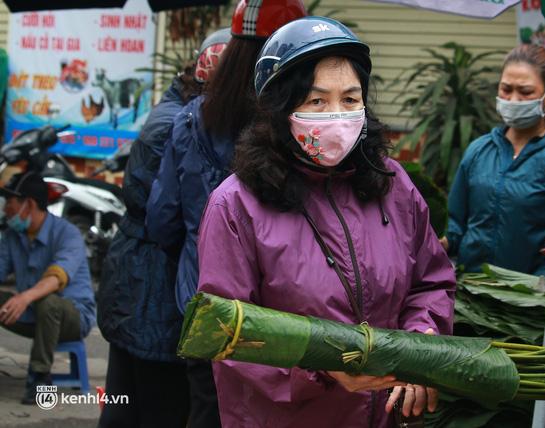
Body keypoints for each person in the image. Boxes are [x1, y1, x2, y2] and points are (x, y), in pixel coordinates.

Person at [195, 16, 456, 427]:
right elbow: (227, 334)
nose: (337, 116)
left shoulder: (393, 185)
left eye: (350, 100)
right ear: (280, 106)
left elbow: (432, 282)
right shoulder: (234, 206)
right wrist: (322, 369)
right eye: (317, 101)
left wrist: (422, 342)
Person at [146, 1, 307, 425]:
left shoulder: (192, 119)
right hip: (281, 310)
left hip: (205, 302)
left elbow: (161, 218)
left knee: (206, 408)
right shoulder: (298, 126)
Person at [96, 29, 230, 428]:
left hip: (139, 282)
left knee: (126, 401)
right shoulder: (181, 124)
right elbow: (167, 218)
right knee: (154, 406)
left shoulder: (177, 114)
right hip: (151, 286)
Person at [443, 44, 545, 277]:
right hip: (473, 292)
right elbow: (456, 226)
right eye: (506, 89)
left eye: (525, 91)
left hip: (533, 299)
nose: (513, 99)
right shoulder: (479, 150)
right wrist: (440, 244)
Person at [0, 172, 95, 405]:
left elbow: (57, 278)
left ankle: (40, 377)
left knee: (48, 301)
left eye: (9, 203)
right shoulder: (13, 236)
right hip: (33, 312)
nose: (5, 210)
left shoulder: (67, 233)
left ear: (28, 204)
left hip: (72, 318)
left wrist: (24, 298)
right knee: (38, 303)